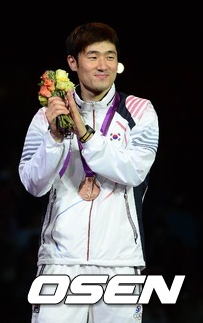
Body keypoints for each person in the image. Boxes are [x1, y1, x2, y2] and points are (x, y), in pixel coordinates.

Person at [18, 22, 159, 323]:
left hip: (120, 262)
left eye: (110, 56)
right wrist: (55, 138)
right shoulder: (47, 116)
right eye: (93, 56)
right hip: (60, 262)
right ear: (73, 62)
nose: (103, 65)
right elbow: (32, 183)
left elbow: (134, 171)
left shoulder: (140, 111)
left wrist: (85, 135)